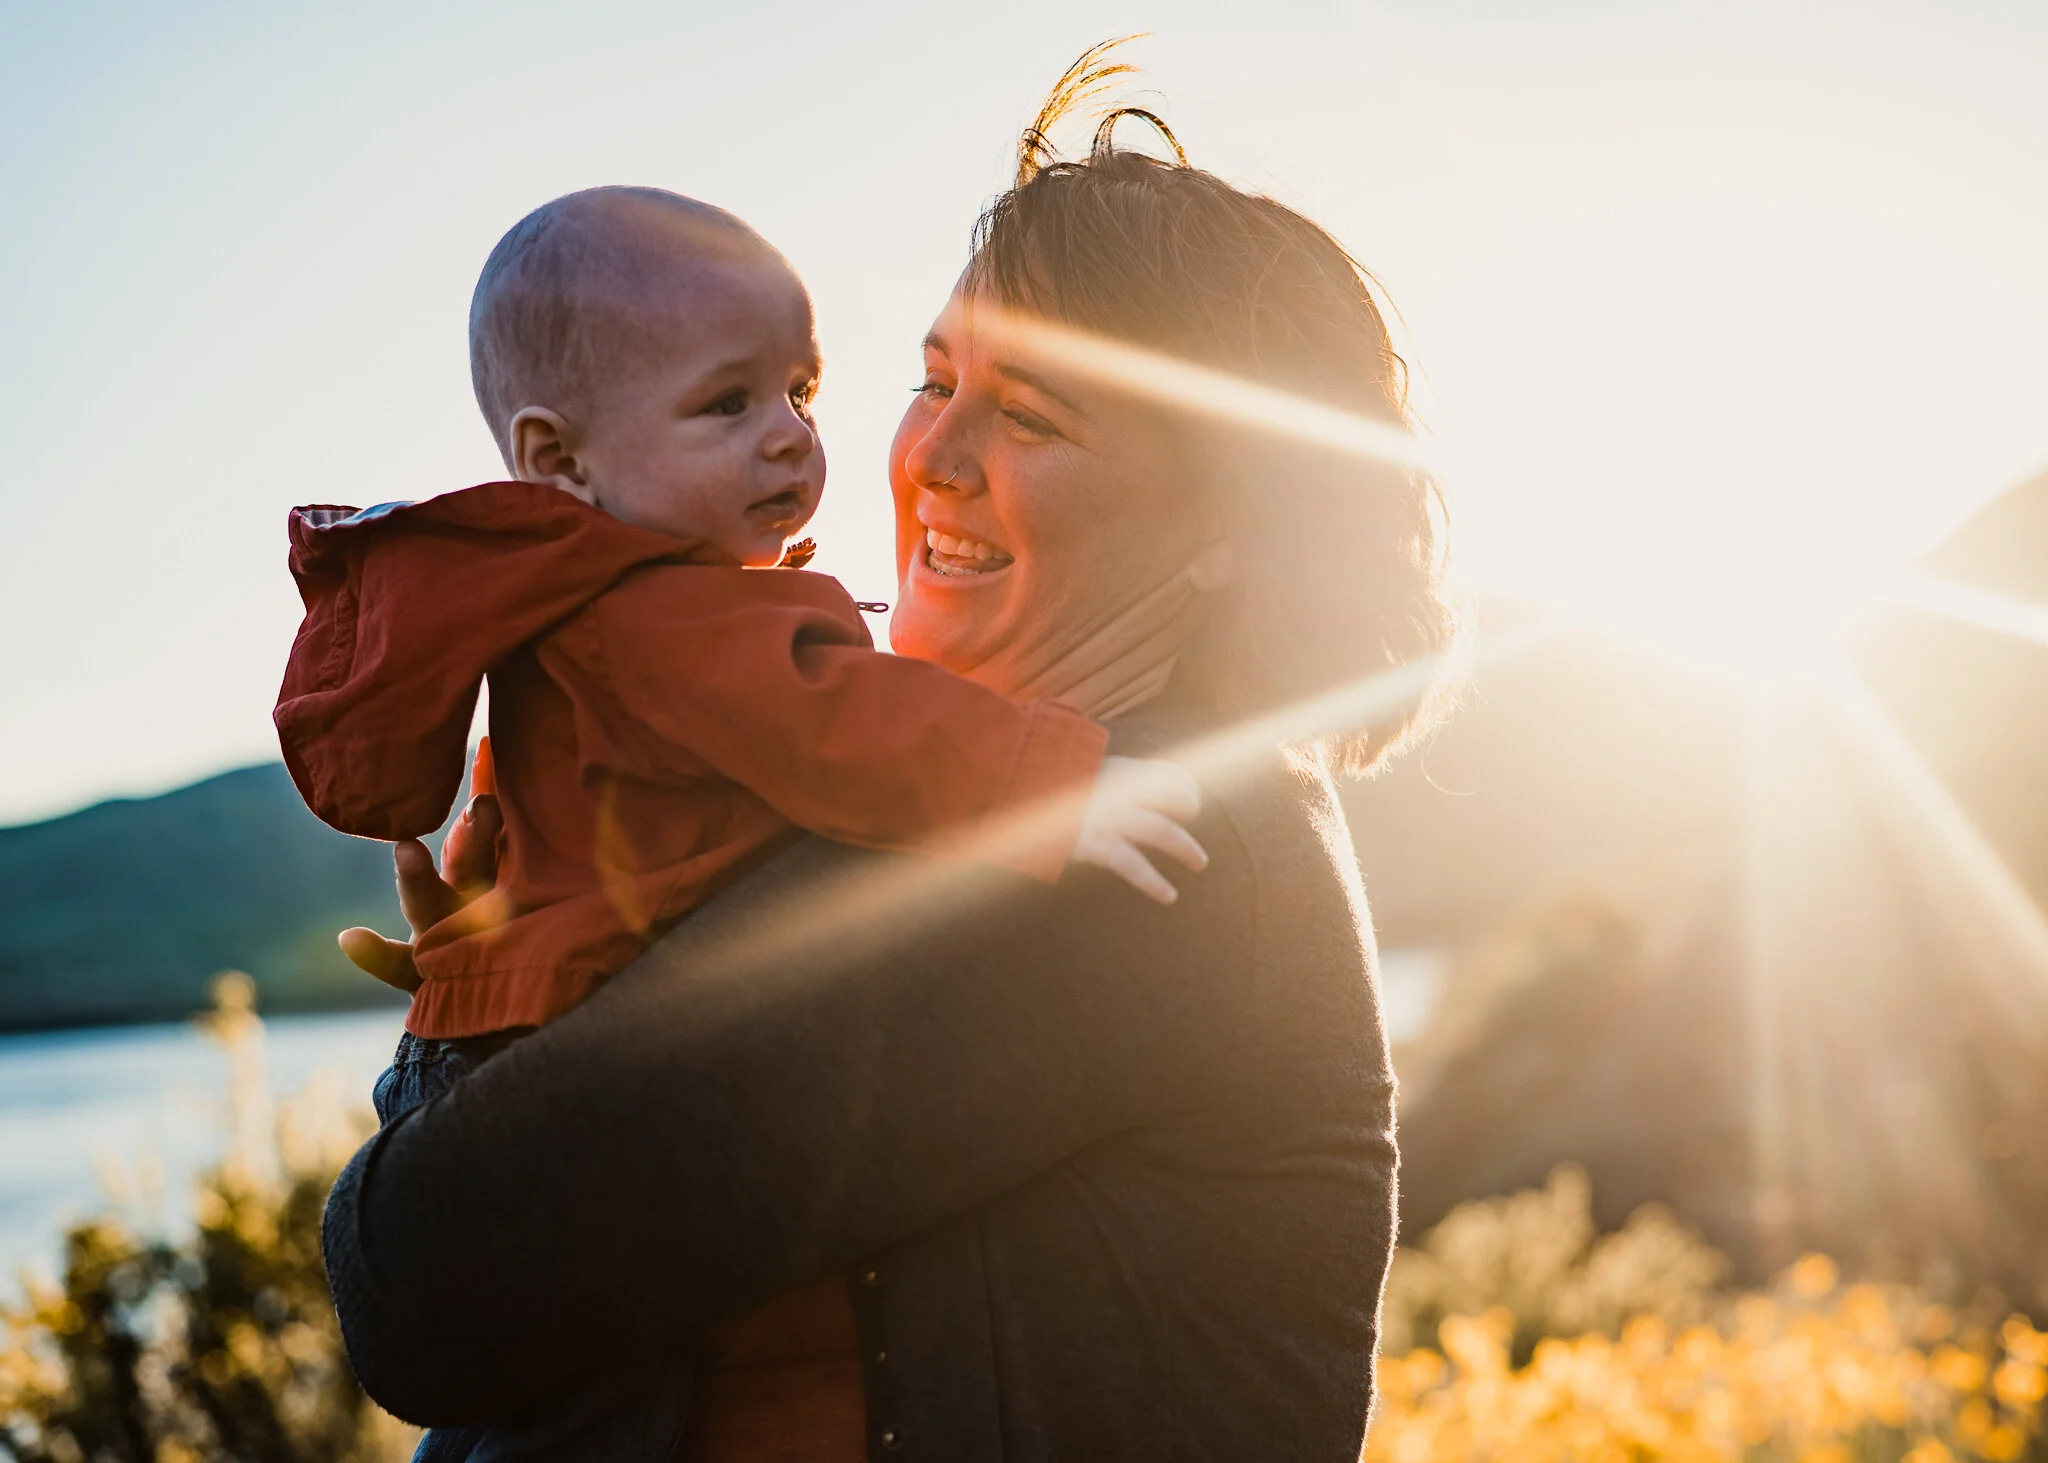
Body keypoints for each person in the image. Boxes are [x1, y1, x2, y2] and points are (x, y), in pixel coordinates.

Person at [324, 44, 1459, 1463]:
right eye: (934, 382)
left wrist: (465, 1052)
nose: (931, 457)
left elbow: (420, 1285)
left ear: (1230, 522)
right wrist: (518, 960)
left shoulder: (1131, 847)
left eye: (1034, 415)